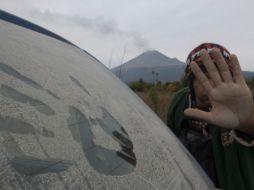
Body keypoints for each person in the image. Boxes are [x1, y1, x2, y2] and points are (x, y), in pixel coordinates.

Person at [167, 43, 254, 190]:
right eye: (204, 78)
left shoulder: (241, 104)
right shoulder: (179, 101)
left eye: (221, 78)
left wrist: (246, 121)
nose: (214, 86)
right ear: (190, 83)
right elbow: (170, 144)